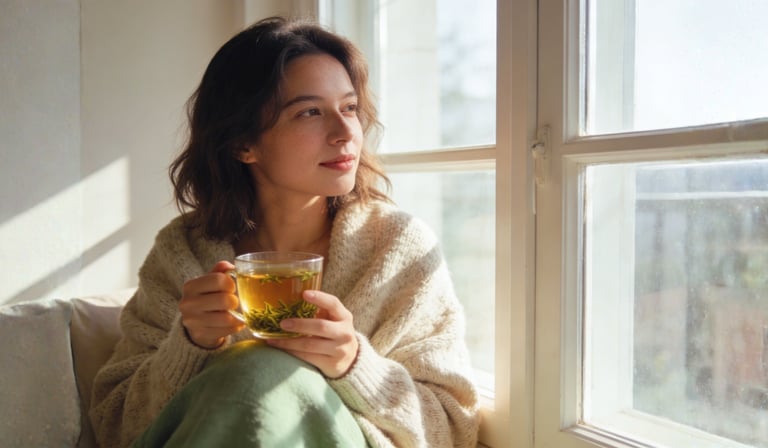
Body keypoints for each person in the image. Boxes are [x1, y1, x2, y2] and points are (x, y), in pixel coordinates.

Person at [89, 16, 479, 448]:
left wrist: (354, 364)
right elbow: (114, 423)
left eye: (349, 108)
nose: (345, 132)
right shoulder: (180, 253)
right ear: (243, 143)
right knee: (253, 366)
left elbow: (452, 427)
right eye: (310, 112)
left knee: (263, 370)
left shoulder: (399, 251)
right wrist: (189, 344)